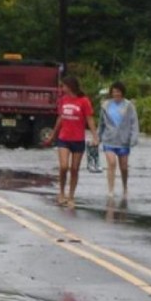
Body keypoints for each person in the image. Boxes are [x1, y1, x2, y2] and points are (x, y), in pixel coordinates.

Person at [44, 75, 99, 208]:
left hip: (78, 140)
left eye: (63, 86)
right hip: (64, 139)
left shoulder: (84, 101)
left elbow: (89, 119)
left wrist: (95, 136)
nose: (61, 88)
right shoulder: (63, 100)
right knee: (64, 167)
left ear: (70, 86)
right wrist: (53, 136)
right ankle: (61, 193)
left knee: (75, 169)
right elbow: (60, 118)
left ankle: (71, 196)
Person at [98, 80, 139, 198]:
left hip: (123, 141)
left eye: (119, 92)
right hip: (109, 140)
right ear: (111, 93)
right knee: (111, 163)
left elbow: (134, 123)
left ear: (122, 93)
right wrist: (98, 137)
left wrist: (133, 138)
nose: (116, 94)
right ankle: (110, 190)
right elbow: (101, 123)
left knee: (124, 167)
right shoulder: (105, 105)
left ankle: (125, 186)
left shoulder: (129, 106)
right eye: (114, 91)